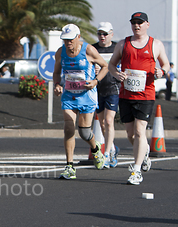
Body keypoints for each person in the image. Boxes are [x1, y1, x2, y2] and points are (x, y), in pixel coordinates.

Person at [109, 12, 170, 185]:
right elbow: (112, 64)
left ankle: (136, 170)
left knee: (139, 131)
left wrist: (161, 71)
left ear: (147, 24)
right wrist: (117, 74)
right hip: (126, 94)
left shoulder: (155, 44)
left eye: (140, 23)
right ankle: (144, 154)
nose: (137, 25)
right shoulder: (123, 43)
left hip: (146, 94)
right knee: (130, 134)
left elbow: (165, 64)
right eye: (134, 23)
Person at [53, 24, 108, 180]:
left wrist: (96, 81)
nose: (68, 43)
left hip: (87, 95)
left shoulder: (89, 50)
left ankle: (96, 149)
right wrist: (57, 85)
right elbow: (56, 72)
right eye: (65, 40)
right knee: (68, 128)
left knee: (84, 132)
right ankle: (70, 166)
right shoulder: (60, 52)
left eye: (70, 39)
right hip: (69, 95)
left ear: (78, 37)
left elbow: (105, 66)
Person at [92, 22, 120, 169]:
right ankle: (113, 148)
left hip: (113, 88)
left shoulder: (117, 48)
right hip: (97, 89)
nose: (102, 37)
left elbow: (125, 65)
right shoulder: (93, 48)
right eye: (99, 34)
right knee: (102, 123)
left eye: (105, 34)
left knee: (109, 121)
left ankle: (107, 153)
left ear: (111, 34)